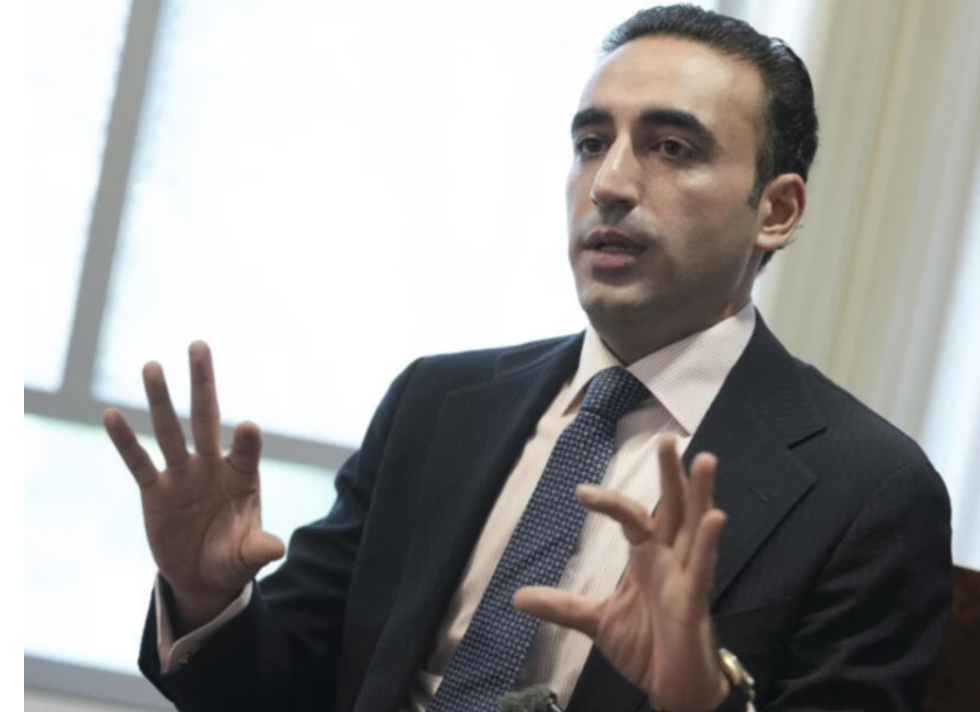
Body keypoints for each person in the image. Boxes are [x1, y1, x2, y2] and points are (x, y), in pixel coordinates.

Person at [105, 5, 952, 712]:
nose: (609, 184)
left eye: (671, 147)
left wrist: (701, 702)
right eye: (591, 142)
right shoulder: (438, 403)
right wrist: (206, 598)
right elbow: (287, 687)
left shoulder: (869, 491)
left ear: (776, 210)